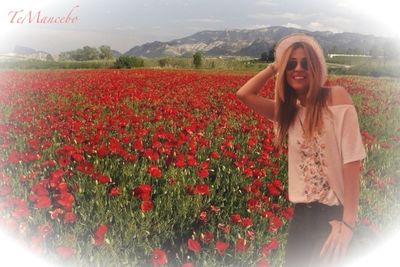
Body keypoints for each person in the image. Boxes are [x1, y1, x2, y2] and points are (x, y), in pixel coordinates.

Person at [236, 33, 366, 267]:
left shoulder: (336, 97)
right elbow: (244, 94)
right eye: (292, 64)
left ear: (315, 68)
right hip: (301, 217)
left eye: (306, 63)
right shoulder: (289, 113)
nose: (298, 68)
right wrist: (275, 66)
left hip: (332, 217)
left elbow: (352, 161)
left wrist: (347, 222)